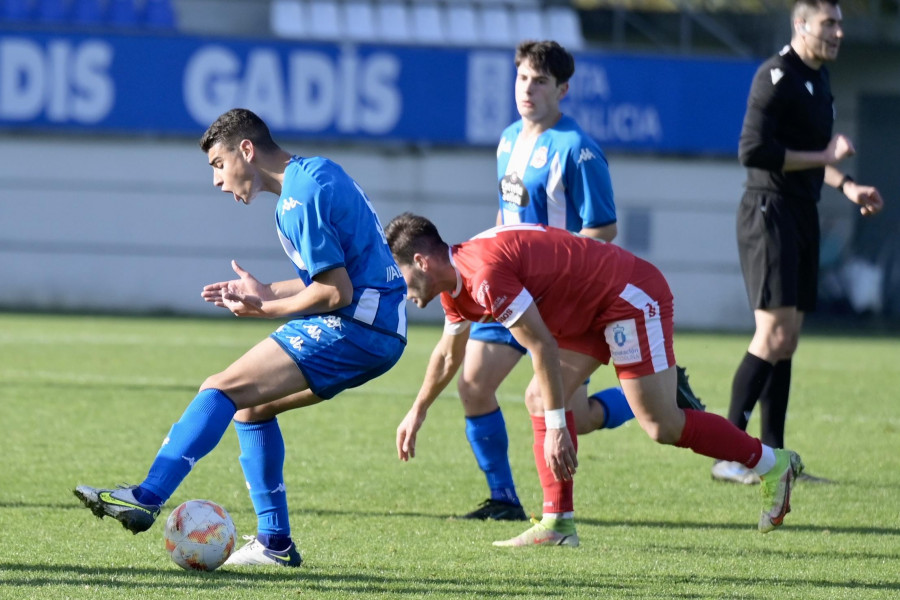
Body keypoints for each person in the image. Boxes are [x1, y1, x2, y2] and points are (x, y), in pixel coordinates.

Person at [73, 108, 408, 568]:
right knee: (251, 408)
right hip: (378, 326)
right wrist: (266, 290)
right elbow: (338, 276)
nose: (217, 181)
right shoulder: (317, 173)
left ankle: (146, 497)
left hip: (359, 327)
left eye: (218, 164)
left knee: (220, 387)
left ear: (246, 151)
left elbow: (335, 292)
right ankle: (275, 544)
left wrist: (263, 309)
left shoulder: (298, 200)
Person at [386, 213, 803, 546]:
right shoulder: (455, 286)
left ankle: (772, 464)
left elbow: (542, 347)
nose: (403, 291)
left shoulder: (485, 276)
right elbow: (446, 355)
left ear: (421, 262)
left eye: (400, 276)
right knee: (538, 398)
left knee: (662, 426)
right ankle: (558, 524)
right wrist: (417, 412)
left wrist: (556, 428)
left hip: (627, 296)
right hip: (586, 312)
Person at [452, 39, 704, 522]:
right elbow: (510, 216)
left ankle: (656, 397)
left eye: (540, 81)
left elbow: (603, 227)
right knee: (473, 386)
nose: (528, 89)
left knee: (576, 417)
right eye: (522, 77)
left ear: (563, 89)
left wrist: (560, 276)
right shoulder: (508, 139)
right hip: (507, 289)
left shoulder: (578, 149)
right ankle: (504, 499)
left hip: (557, 299)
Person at [712, 0, 884, 485]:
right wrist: (824, 153)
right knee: (772, 335)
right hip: (768, 212)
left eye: (841, 24)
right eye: (829, 23)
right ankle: (728, 453)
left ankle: (773, 457)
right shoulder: (776, 76)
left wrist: (846, 184)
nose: (839, 32)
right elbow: (753, 150)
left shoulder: (820, 79)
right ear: (801, 25)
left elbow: (812, 158)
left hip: (801, 213)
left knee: (787, 344)